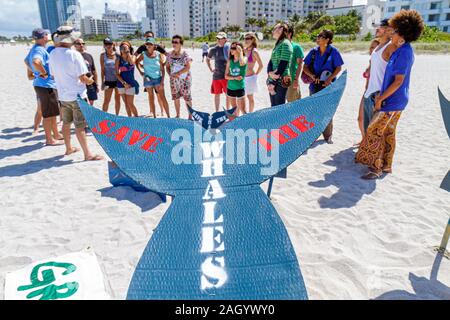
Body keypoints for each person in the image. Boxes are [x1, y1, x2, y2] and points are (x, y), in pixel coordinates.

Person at [356, 10, 424, 180]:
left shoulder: (404, 52)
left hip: (393, 100)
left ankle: (375, 168)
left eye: (393, 31)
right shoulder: (401, 49)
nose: (391, 33)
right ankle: (386, 165)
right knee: (388, 133)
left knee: (374, 130)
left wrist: (380, 98)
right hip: (396, 100)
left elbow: (399, 81)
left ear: (401, 33)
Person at [48, 26, 103, 161]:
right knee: (80, 126)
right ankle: (87, 154)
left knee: (66, 123)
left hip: (63, 96)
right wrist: (91, 81)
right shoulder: (74, 54)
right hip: (77, 96)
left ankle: (68, 148)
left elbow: (53, 76)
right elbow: (83, 78)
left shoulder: (53, 54)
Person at [303, 29, 344, 144]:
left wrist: (329, 79)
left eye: (320, 36)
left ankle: (328, 135)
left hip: (328, 85)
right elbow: (305, 67)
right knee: (314, 110)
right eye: (318, 36)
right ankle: (313, 134)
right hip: (314, 85)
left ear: (327, 40)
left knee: (327, 110)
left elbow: (338, 68)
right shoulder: (313, 51)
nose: (318, 38)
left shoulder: (334, 52)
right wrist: (312, 75)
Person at [358, 19, 396, 142]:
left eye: (379, 28)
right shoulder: (377, 47)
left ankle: (374, 159)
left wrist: (383, 95)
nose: (376, 30)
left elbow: (395, 73)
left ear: (388, 30)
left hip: (379, 94)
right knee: (368, 129)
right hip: (370, 93)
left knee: (376, 132)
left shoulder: (390, 47)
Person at [26, 28, 63, 145]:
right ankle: (49, 139)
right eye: (46, 35)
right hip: (45, 85)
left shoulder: (35, 48)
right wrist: (43, 73)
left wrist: (34, 72)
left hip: (42, 84)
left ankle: (55, 134)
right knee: (48, 114)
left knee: (52, 112)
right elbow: (36, 61)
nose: (48, 36)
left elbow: (26, 61)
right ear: (43, 37)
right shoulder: (40, 50)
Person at [136, 37, 170, 118]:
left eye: (150, 44)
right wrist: (141, 71)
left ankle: (169, 116)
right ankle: (154, 117)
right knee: (151, 98)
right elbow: (136, 61)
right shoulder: (143, 54)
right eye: (147, 44)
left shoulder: (159, 55)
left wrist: (162, 82)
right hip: (148, 79)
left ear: (154, 45)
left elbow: (162, 70)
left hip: (158, 79)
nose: (148, 45)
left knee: (162, 97)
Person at [267, 23, 293, 107]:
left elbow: (283, 64)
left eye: (275, 29)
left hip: (280, 80)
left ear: (281, 29)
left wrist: (274, 80)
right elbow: (271, 61)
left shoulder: (286, 43)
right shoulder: (279, 43)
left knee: (279, 106)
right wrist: (269, 73)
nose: (273, 31)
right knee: (273, 106)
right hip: (273, 78)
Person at [166, 35, 193, 119]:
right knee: (176, 97)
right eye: (173, 42)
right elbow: (167, 66)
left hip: (185, 80)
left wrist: (178, 73)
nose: (174, 44)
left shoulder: (185, 54)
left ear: (181, 44)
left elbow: (188, 67)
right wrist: (170, 74)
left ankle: (190, 116)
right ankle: (178, 115)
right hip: (174, 80)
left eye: (176, 42)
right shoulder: (169, 54)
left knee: (187, 98)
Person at [206, 32, 231, 111]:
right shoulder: (213, 49)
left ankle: (228, 111)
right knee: (217, 94)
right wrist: (210, 69)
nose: (219, 40)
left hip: (226, 76)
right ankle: (217, 111)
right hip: (216, 76)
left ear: (225, 39)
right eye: (218, 38)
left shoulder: (229, 49)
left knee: (228, 95)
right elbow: (207, 59)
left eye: (221, 38)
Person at [116, 41, 139, 117]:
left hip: (131, 83)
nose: (124, 48)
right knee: (126, 103)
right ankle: (129, 119)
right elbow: (116, 73)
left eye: (126, 47)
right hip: (121, 83)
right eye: (122, 47)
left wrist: (128, 53)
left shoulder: (132, 57)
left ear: (129, 48)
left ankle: (137, 119)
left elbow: (132, 63)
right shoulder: (118, 59)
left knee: (130, 103)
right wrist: (124, 83)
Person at [73, 38, 98, 106]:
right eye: (79, 43)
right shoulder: (73, 56)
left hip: (90, 83)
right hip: (79, 84)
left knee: (91, 103)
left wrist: (96, 84)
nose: (81, 45)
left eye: (83, 43)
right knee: (82, 104)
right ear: (75, 45)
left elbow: (94, 70)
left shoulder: (89, 56)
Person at [225, 42, 247, 116]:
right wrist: (235, 77)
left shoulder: (244, 58)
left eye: (234, 48)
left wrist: (240, 52)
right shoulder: (229, 61)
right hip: (231, 87)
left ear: (239, 49)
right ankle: (237, 126)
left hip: (240, 87)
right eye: (231, 48)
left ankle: (248, 124)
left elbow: (241, 63)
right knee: (234, 109)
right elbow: (226, 76)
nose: (231, 50)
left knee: (243, 110)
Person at [100, 38, 121, 115]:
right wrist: (102, 82)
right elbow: (102, 70)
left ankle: (117, 116)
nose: (108, 46)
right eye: (106, 44)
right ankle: (103, 117)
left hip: (118, 80)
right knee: (106, 100)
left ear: (113, 45)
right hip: (108, 81)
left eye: (110, 44)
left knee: (117, 99)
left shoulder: (118, 55)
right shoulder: (102, 56)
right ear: (104, 46)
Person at [243, 32, 263, 113]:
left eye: (248, 39)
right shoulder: (244, 50)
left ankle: (250, 113)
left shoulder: (254, 51)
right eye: (245, 39)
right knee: (242, 96)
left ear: (252, 40)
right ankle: (244, 112)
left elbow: (261, 65)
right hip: (242, 77)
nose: (246, 40)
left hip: (250, 78)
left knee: (250, 97)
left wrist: (255, 75)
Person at [286, 25, 305, 103]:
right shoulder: (280, 46)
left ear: (289, 34)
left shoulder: (296, 47)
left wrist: (296, 80)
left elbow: (300, 64)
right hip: (281, 80)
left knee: (293, 103)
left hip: (292, 79)